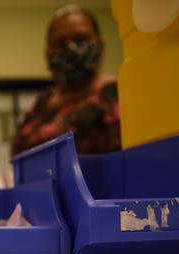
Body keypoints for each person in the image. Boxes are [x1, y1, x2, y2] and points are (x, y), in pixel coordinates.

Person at [11, 5, 121, 155]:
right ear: (48, 53)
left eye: (80, 39)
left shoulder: (117, 93)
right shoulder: (42, 103)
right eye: (60, 43)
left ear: (99, 45)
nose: (71, 48)